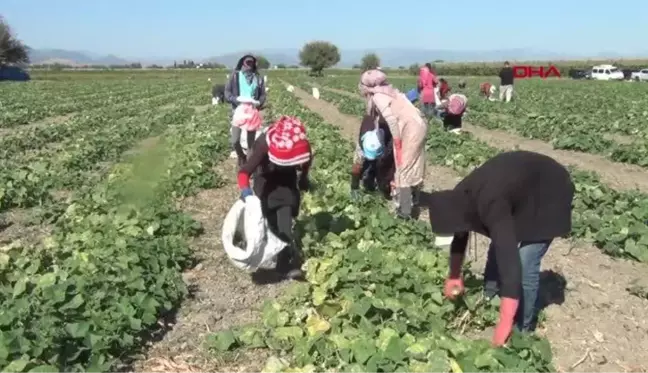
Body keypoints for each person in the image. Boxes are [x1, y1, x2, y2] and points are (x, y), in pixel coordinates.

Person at [423, 150, 574, 346]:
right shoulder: (459, 197)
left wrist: (504, 320)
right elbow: (460, 233)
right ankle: (490, 293)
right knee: (501, 235)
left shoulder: (490, 202)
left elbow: (510, 261)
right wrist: (454, 274)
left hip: (551, 190)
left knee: (525, 260)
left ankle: (523, 329)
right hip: (521, 189)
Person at [237, 116, 312, 280]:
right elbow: (244, 172)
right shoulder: (264, 143)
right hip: (266, 183)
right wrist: (246, 192)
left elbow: (306, 160)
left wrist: (304, 177)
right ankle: (271, 251)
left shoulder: (298, 141)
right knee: (271, 223)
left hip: (287, 183)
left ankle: (284, 265)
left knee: (284, 224)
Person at [359, 69, 427, 219]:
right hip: (417, 124)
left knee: (403, 168)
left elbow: (390, 119)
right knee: (412, 164)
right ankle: (413, 200)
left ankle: (404, 211)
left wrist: (396, 141)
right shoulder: (390, 91)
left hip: (409, 128)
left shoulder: (378, 96)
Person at [225, 54, 267, 165]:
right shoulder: (235, 76)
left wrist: (259, 102)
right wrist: (235, 99)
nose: (249, 64)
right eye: (247, 62)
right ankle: (241, 156)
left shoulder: (258, 78)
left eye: (251, 62)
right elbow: (227, 93)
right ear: (243, 63)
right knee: (235, 140)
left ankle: (248, 167)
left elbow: (262, 95)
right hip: (238, 111)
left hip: (252, 112)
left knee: (250, 143)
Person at [350, 114, 394, 200]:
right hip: (371, 125)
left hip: (386, 129)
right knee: (361, 164)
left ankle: (380, 183)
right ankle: (368, 177)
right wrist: (354, 187)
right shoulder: (363, 144)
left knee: (383, 165)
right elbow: (356, 166)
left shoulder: (388, 134)